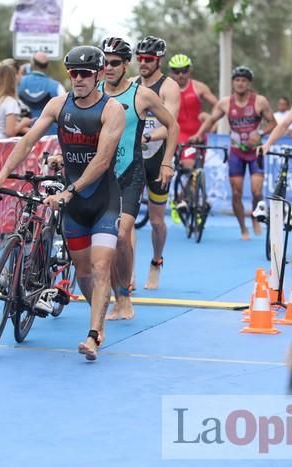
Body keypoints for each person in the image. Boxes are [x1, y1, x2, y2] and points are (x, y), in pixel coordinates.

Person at [0, 46, 125, 361]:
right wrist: (3, 175)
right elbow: (27, 141)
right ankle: (99, 318)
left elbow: (103, 160)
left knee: (101, 264)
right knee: (83, 271)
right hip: (75, 203)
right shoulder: (57, 104)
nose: (78, 79)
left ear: (99, 75)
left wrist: (70, 191)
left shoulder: (112, 110)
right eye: (73, 73)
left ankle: (93, 335)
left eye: (85, 74)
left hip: (103, 199)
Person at [98, 37, 177, 320]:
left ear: (124, 64)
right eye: (104, 62)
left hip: (134, 168)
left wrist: (167, 161)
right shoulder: (92, 91)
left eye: (115, 63)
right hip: (101, 173)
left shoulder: (146, 93)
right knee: (105, 239)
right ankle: (113, 291)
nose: (108, 67)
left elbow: (173, 124)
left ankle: (129, 290)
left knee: (130, 230)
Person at [191, 66, 276, 240]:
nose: (240, 83)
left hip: (255, 152)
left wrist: (259, 134)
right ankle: (243, 229)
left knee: (256, 191)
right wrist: (199, 134)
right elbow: (211, 120)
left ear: (249, 83)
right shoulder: (225, 103)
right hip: (236, 152)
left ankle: (254, 218)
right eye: (237, 80)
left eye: (244, 80)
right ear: (233, 82)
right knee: (236, 192)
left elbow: (273, 123)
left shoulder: (259, 101)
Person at [134, 36, 181, 289]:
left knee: (156, 221)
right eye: (139, 58)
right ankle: (126, 274)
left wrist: (148, 136)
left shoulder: (168, 87)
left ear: (159, 60)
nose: (142, 62)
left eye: (148, 59)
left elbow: (171, 125)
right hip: (135, 157)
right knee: (125, 219)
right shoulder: (131, 84)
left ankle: (156, 260)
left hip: (158, 156)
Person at [167, 53, 218, 222]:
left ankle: (183, 199)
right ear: (171, 73)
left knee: (197, 173)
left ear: (190, 71)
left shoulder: (199, 87)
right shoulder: (167, 88)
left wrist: (209, 118)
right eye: (176, 71)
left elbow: (218, 106)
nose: (180, 75)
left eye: (184, 71)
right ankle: (180, 200)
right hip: (181, 135)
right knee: (189, 167)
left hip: (199, 134)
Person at [17, 51, 65, 135]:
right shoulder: (57, 86)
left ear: (32, 64)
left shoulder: (18, 83)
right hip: (49, 139)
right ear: (47, 66)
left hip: (23, 137)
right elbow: (65, 113)